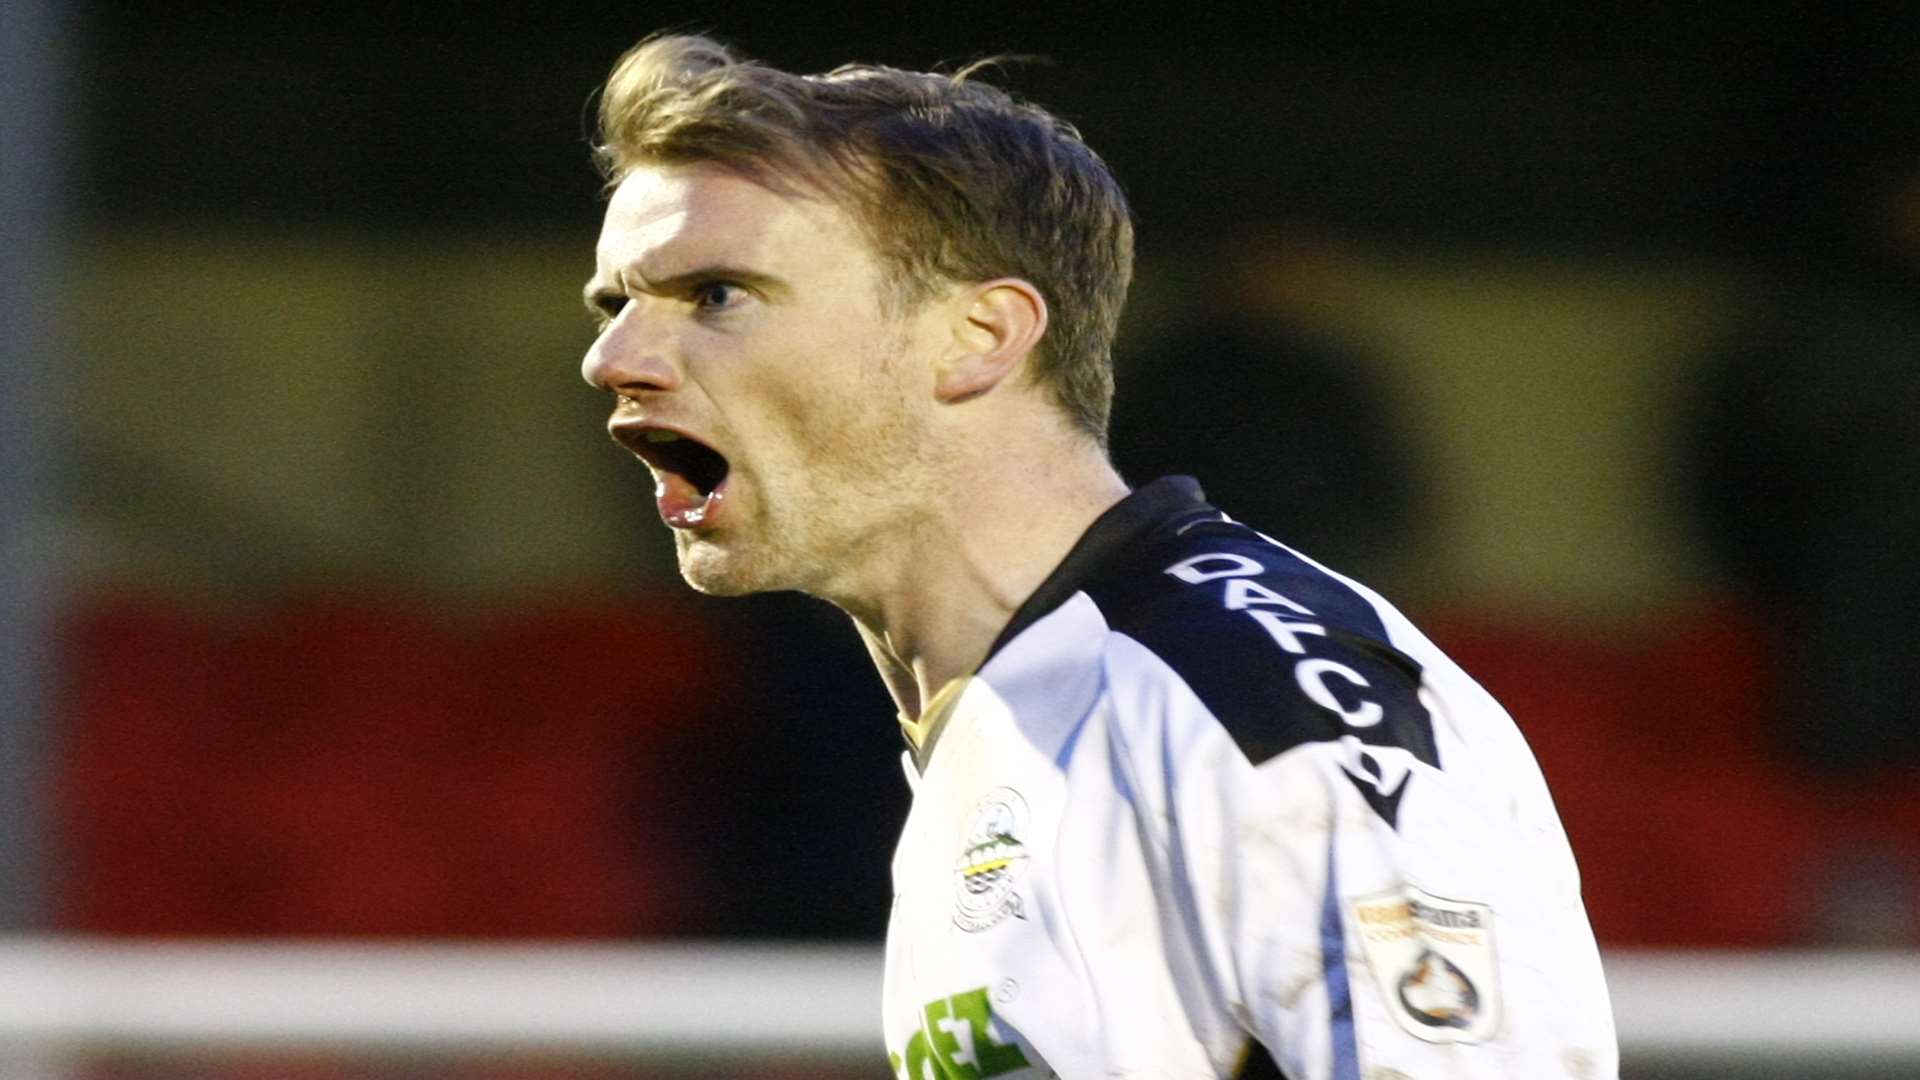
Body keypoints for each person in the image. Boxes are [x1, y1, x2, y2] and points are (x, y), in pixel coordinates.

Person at [579, 32, 1617, 1079]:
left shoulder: (1251, 704)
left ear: (981, 335)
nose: (611, 359)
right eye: (616, 305)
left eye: (717, 295)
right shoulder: (1001, 715)